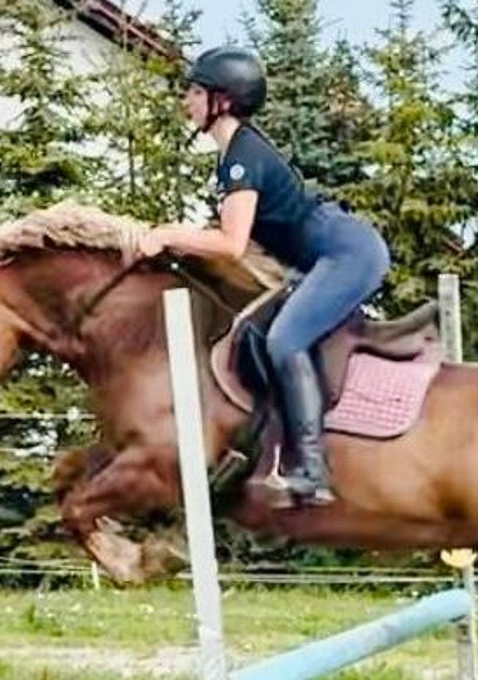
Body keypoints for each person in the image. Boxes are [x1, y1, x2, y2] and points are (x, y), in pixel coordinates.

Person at [138, 45, 391, 506]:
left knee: (285, 340)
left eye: (195, 92)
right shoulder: (236, 154)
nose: (186, 101)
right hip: (329, 255)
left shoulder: (241, 157)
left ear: (222, 101)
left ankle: (311, 472)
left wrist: (166, 234)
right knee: (257, 331)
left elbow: (231, 243)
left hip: (346, 253)